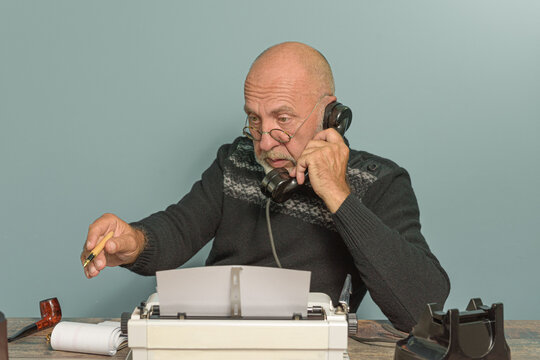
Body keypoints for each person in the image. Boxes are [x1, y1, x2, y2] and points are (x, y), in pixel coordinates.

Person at [80, 42, 450, 332]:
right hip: (217, 341)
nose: (265, 142)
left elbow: (420, 308)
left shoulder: (381, 181)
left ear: (330, 116)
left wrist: (338, 195)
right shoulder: (236, 161)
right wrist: (133, 241)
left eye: (282, 119)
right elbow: (180, 228)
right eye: (254, 120)